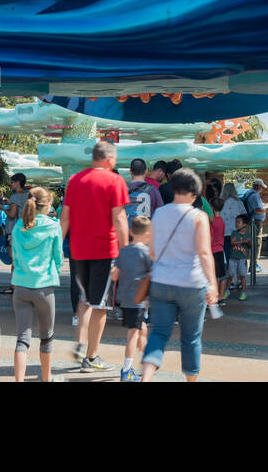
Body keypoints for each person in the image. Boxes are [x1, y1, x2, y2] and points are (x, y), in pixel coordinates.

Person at [140, 168, 218, 382]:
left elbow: (153, 252)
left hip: (161, 282)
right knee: (191, 338)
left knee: (158, 334)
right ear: (195, 193)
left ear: (173, 189)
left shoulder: (159, 213)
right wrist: (213, 284)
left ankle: (145, 377)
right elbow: (204, 253)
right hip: (192, 284)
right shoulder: (198, 216)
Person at [60, 140, 129, 371]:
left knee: (84, 300)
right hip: (104, 250)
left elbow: (65, 218)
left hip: (78, 251)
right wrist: (127, 250)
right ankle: (91, 356)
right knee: (100, 305)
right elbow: (119, 218)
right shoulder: (115, 180)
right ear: (109, 159)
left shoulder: (75, 180)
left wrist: (56, 248)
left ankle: (80, 343)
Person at [8, 186, 62, 381]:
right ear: (46, 206)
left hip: (21, 287)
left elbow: (14, 255)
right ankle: (47, 378)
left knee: (22, 339)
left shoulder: (18, 226)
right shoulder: (53, 226)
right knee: (46, 338)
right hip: (44, 288)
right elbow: (58, 258)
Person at [111, 215, 153, 381]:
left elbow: (115, 275)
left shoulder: (124, 251)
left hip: (125, 299)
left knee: (141, 329)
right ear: (148, 234)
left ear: (130, 231)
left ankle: (146, 362)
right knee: (133, 335)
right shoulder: (146, 253)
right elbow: (153, 274)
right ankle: (126, 370)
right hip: (139, 300)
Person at [244, 178, 268, 276]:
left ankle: (253, 264)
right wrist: (267, 209)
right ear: (258, 186)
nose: (262, 189)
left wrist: (264, 205)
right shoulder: (255, 195)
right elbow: (257, 210)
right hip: (256, 222)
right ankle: (254, 265)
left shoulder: (249, 193)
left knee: (253, 242)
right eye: (262, 187)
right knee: (256, 243)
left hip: (252, 221)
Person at [228, 214, 252, 299]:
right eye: (236, 222)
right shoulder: (234, 233)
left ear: (244, 225)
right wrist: (242, 242)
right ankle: (226, 290)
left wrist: (248, 242)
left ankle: (244, 292)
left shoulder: (248, 234)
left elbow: (250, 246)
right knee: (230, 275)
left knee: (242, 275)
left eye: (238, 222)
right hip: (233, 258)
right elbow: (232, 242)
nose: (236, 224)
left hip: (242, 258)